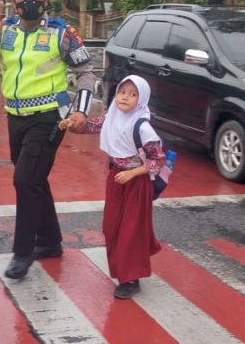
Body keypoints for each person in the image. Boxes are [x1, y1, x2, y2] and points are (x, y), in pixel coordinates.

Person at [0, 0, 96, 280]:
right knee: (34, 179)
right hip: (15, 117)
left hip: (50, 116)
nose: (28, 1)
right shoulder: (6, 29)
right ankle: (51, 242)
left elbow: (86, 73)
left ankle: (22, 252)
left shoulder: (61, 32)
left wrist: (80, 111)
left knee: (24, 180)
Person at [59, 75, 167, 299]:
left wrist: (132, 173)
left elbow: (158, 160)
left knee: (130, 230)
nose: (125, 97)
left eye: (133, 94)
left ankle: (130, 279)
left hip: (136, 183)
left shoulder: (142, 126)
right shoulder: (112, 118)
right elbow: (89, 126)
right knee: (111, 227)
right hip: (117, 179)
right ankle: (125, 269)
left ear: (142, 99)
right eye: (122, 92)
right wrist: (71, 124)